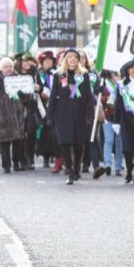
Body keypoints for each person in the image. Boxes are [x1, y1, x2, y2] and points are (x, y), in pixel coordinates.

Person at [46, 49, 96, 185]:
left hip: (79, 115)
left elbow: (88, 98)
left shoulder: (84, 75)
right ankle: (69, 171)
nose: (73, 60)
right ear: (65, 60)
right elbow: (52, 98)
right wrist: (49, 116)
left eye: (75, 57)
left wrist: (91, 114)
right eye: (70, 57)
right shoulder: (58, 75)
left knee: (79, 144)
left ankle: (76, 167)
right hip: (62, 115)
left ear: (78, 60)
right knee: (65, 143)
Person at [0, 57, 33, 173]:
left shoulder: (19, 79)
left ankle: (16, 163)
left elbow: (27, 97)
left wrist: (23, 94)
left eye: (10, 66)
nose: (8, 69)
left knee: (17, 142)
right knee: (4, 143)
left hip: (17, 116)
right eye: (5, 67)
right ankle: (6, 166)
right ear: (0, 68)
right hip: (2, 116)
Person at [98, 70, 125, 177]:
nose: (115, 75)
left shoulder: (123, 82)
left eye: (117, 74)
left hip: (120, 116)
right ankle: (107, 164)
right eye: (114, 73)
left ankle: (118, 167)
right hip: (107, 115)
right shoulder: (104, 81)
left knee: (119, 141)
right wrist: (105, 98)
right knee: (109, 140)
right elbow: (98, 95)